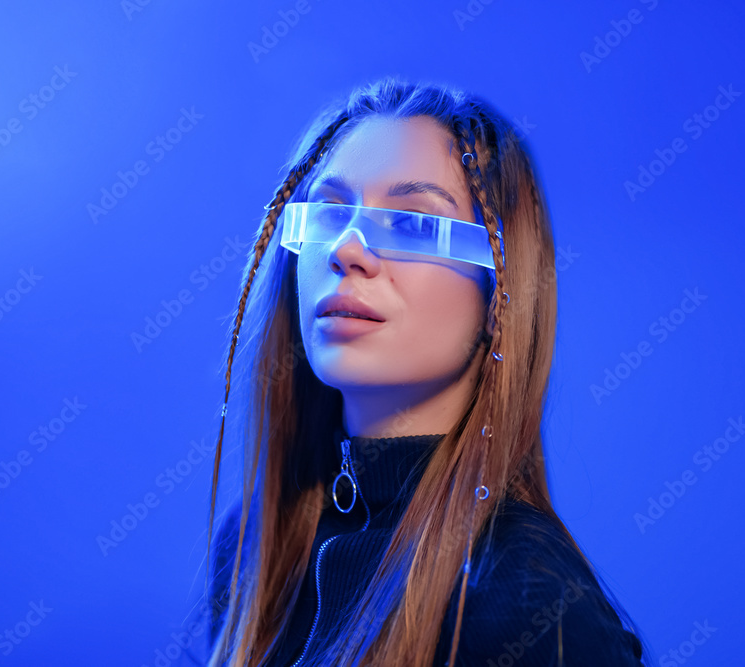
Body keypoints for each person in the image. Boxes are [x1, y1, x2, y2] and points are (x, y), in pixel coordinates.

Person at [203, 76, 651, 667]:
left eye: (413, 223)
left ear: (500, 296)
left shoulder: (526, 601)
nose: (349, 249)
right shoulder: (257, 547)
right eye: (332, 212)